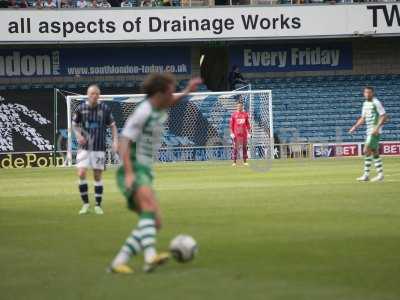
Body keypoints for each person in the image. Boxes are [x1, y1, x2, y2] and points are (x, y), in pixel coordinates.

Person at [109, 74, 202, 274]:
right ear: (160, 93)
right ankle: (150, 257)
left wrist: (187, 92)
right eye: (171, 90)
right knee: (149, 210)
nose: (172, 94)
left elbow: (173, 100)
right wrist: (128, 174)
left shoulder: (159, 105)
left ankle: (118, 262)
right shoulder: (143, 111)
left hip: (145, 169)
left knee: (154, 222)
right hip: (134, 166)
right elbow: (124, 142)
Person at [72, 84, 118, 215]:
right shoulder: (81, 108)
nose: (94, 96)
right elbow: (74, 124)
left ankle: (98, 205)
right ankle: (85, 204)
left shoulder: (105, 109)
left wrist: (115, 141)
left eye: (96, 94)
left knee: (97, 176)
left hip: (99, 147)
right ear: (87, 94)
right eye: (91, 93)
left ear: (99, 95)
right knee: (81, 173)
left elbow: (113, 126)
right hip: (84, 148)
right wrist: (78, 135)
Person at [349, 86, 388, 182]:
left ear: (372, 93)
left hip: (374, 131)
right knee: (374, 151)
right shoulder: (365, 103)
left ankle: (366, 175)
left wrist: (377, 128)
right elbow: (363, 118)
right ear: (364, 93)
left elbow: (384, 116)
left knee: (366, 149)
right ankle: (380, 174)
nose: (367, 94)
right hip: (369, 130)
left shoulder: (376, 102)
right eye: (366, 92)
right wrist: (354, 127)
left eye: (369, 92)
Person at [229, 101, 251, 166]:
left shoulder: (245, 114)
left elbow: (248, 124)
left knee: (244, 147)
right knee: (235, 148)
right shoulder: (234, 115)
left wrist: (249, 132)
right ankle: (234, 162)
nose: (239, 107)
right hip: (236, 134)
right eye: (238, 106)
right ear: (236, 107)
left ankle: (245, 161)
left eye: (241, 106)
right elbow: (231, 125)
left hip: (244, 134)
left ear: (242, 107)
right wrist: (231, 133)